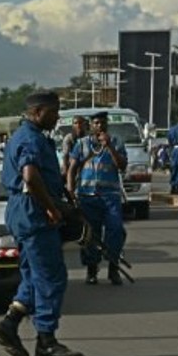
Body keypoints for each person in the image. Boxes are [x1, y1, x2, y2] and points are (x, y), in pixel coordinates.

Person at [0, 91, 85, 356]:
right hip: (34, 212)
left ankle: (9, 324)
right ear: (38, 112)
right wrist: (52, 209)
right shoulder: (30, 138)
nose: (57, 118)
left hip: (23, 211)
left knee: (33, 274)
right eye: (54, 112)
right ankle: (46, 341)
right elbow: (30, 177)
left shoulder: (26, 135)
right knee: (51, 276)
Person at [66, 111, 128, 286]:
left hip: (110, 197)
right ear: (90, 126)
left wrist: (110, 147)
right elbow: (72, 168)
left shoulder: (116, 142)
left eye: (102, 123)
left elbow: (122, 166)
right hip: (87, 197)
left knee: (115, 230)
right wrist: (71, 189)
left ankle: (113, 267)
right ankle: (91, 269)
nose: (99, 126)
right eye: (96, 123)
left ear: (107, 125)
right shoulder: (82, 144)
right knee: (90, 235)